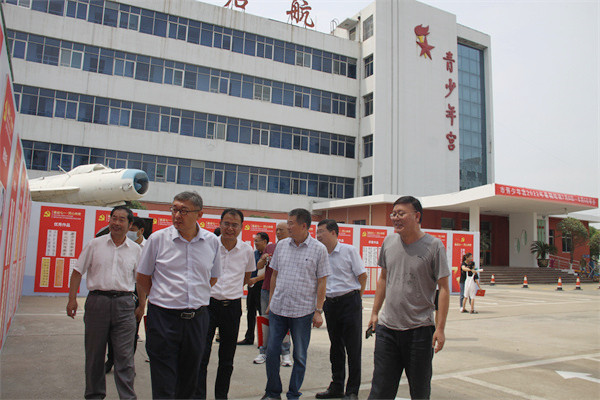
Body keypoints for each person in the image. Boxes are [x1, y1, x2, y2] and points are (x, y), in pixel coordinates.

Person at [136, 191, 221, 399]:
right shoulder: (157, 239)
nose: (177, 215)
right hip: (163, 319)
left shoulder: (211, 242)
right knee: (163, 381)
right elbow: (143, 276)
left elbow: (212, 278)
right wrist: (163, 296)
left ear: (199, 214)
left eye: (184, 211)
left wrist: (194, 295)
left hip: (197, 319)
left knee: (189, 379)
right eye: (174, 209)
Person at [367, 196, 450, 400]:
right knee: (380, 391)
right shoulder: (388, 242)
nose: (395, 218)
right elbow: (383, 278)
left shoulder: (434, 246)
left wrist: (440, 328)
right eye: (393, 214)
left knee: (419, 391)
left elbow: (443, 289)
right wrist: (375, 313)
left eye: (401, 213)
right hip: (387, 329)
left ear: (417, 216)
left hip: (419, 331)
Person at [66, 205, 143, 400]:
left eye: (121, 219)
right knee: (95, 354)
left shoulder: (136, 250)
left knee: (124, 356)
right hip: (97, 302)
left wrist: (142, 306)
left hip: (125, 304)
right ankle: (94, 395)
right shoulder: (95, 244)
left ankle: (127, 397)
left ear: (130, 225)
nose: (116, 223)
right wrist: (72, 299)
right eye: (113, 218)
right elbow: (77, 272)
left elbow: (140, 281)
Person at [263, 208, 331, 400]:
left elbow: (322, 282)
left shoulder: (319, 249)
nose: (288, 226)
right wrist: (271, 301)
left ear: (303, 225)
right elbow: (274, 275)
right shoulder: (281, 246)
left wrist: (318, 311)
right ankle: (272, 392)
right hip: (278, 309)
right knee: (271, 352)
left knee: (299, 355)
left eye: (291, 223)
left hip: (302, 312)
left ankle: (293, 393)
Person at [196, 209, 255, 400]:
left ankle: (221, 396)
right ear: (220, 224)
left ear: (241, 227)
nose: (230, 228)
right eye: (227, 224)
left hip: (232, 308)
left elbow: (246, 277)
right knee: (201, 355)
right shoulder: (208, 246)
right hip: (207, 306)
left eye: (234, 225)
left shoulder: (246, 250)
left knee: (227, 358)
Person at [315, 220, 367, 400]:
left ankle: (352, 391)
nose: (318, 235)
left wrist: (357, 298)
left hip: (349, 302)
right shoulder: (320, 254)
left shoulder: (348, 250)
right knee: (335, 347)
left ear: (333, 233)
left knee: (353, 348)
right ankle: (336, 386)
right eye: (317, 232)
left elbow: (362, 276)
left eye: (321, 231)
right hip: (330, 304)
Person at [106, 217, 149, 373]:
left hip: (138, 292)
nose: (129, 232)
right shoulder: (121, 245)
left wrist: (142, 304)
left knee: (132, 332)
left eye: (132, 230)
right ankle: (111, 359)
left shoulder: (148, 247)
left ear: (141, 231)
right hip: (120, 291)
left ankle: (127, 363)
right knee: (113, 329)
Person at [253, 223, 292, 366]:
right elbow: (259, 266)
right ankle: (263, 351)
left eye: (281, 230)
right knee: (265, 320)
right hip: (266, 289)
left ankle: (285, 353)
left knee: (285, 322)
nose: (278, 232)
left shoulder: (293, 248)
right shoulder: (270, 247)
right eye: (277, 230)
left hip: (284, 290)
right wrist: (263, 260)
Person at [238, 232, 270, 346]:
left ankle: (265, 340)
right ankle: (249, 337)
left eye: (257, 241)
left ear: (265, 241)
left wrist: (256, 279)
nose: (255, 243)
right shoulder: (254, 253)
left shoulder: (269, 254)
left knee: (263, 313)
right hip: (252, 287)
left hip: (263, 287)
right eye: (254, 241)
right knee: (250, 312)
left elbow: (270, 273)